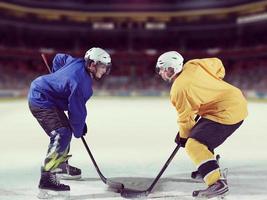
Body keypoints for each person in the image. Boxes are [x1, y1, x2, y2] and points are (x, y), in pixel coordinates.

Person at [155, 51, 248, 199]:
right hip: (233, 100)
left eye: (164, 69)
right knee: (199, 134)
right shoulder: (193, 65)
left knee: (194, 144)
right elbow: (218, 64)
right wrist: (211, 86)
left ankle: (217, 183)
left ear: (173, 69)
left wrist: (184, 137)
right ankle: (208, 166)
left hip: (226, 112)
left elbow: (185, 119)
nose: (161, 72)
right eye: (160, 69)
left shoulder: (179, 89)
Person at [28, 47, 111, 198]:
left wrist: (57, 76)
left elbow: (59, 58)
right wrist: (79, 128)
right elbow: (77, 112)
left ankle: (60, 164)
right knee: (62, 132)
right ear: (92, 64)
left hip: (46, 95)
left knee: (66, 128)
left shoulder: (77, 63)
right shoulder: (81, 84)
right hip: (41, 99)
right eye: (103, 66)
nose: (105, 70)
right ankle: (47, 176)